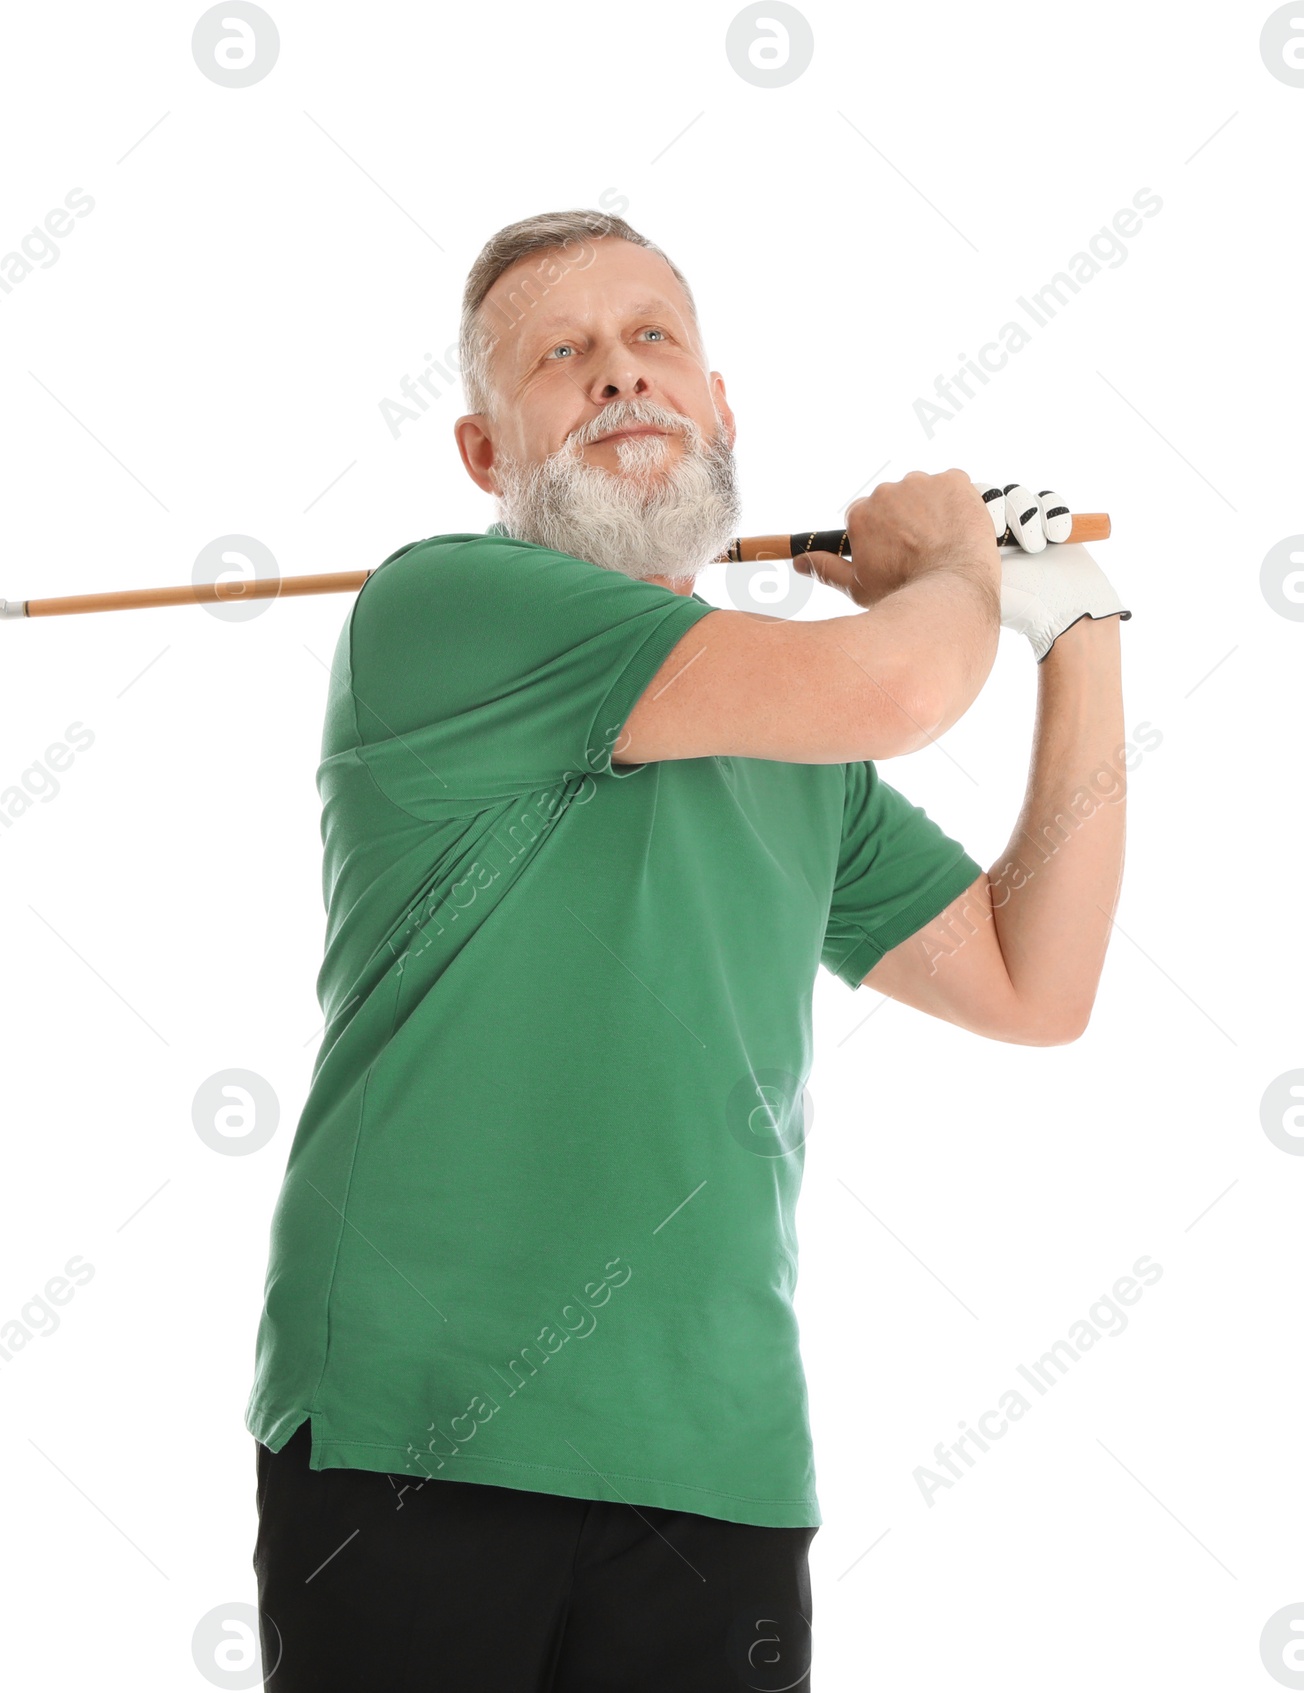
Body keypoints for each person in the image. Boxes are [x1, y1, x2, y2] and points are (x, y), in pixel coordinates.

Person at [244, 209, 1130, 1691]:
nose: (620, 376)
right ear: (484, 454)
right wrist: (951, 570)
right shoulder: (444, 608)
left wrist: (1080, 630)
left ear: (721, 410)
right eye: (562, 356)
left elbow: (1034, 981)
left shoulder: (800, 739)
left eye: (655, 338)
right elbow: (908, 678)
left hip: (717, 1470)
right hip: (421, 1438)